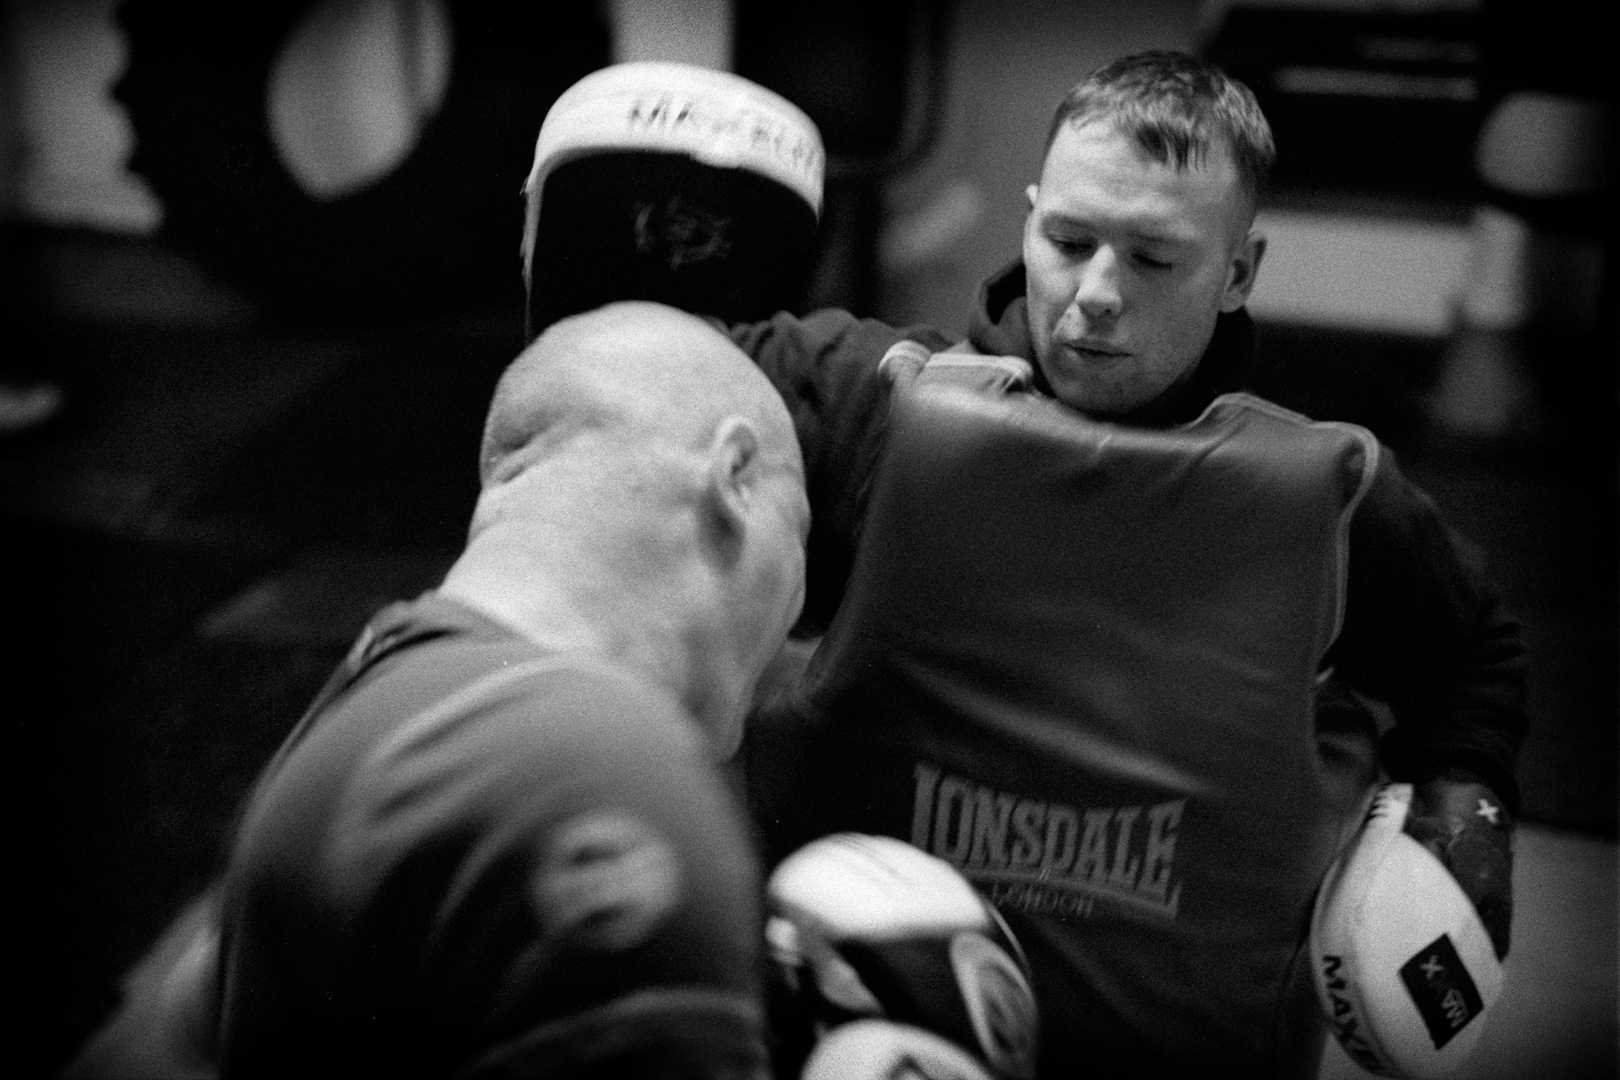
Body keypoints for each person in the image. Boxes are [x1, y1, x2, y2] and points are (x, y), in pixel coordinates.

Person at [519, 52, 1527, 1079]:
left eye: (1154, 259)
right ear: (1031, 219)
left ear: (1239, 271)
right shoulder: (874, 408)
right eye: (1069, 241)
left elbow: (1477, 659)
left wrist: (1463, 823)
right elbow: (599, 398)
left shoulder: (1334, 502)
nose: (1097, 293)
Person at [63, 300, 812, 1079]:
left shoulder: (369, 712)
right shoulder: (597, 767)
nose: (794, 615)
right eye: (800, 538)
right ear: (735, 477)